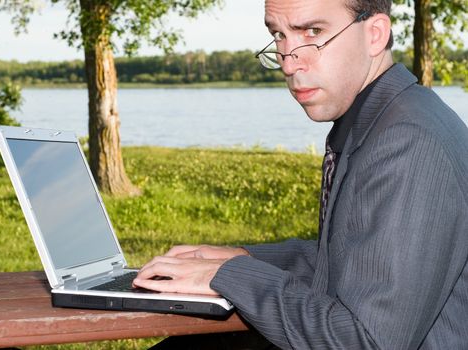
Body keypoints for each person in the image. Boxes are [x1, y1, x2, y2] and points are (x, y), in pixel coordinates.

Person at [133, 0, 468, 348]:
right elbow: (354, 260)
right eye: (279, 35)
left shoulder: (407, 139)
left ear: (375, 34)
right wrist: (244, 259)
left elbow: (364, 341)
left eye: (313, 31)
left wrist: (230, 276)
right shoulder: (379, 119)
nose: (290, 62)